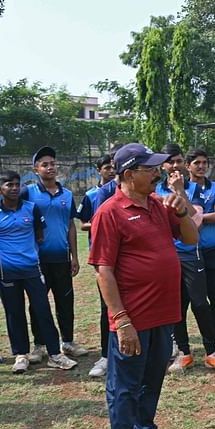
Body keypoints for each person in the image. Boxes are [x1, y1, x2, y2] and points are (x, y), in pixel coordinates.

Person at [89, 143, 198, 429]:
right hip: (132, 319)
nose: (157, 174)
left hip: (163, 315)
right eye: (149, 169)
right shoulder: (109, 212)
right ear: (127, 175)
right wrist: (121, 320)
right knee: (124, 390)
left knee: (152, 381)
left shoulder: (156, 205)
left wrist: (182, 211)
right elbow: (103, 271)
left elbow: (191, 238)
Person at [0, 170, 78, 374]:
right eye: (9, 185)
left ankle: (54, 354)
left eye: (17, 184)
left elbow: (40, 237)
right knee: (14, 313)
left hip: (32, 270)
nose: (15, 188)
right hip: (7, 272)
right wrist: (8, 249)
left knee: (42, 310)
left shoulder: (32, 209)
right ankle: (21, 355)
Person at [154, 145, 215, 375]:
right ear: (163, 165)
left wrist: (180, 192)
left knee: (200, 302)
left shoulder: (194, 188)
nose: (175, 165)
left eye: (179, 161)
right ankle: (184, 354)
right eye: (171, 161)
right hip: (166, 255)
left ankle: (211, 352)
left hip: (190, 253)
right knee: (176, 306)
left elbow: (194, 218)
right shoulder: (154, 188)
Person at [21, 146, 88, 362]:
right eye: (45, 164)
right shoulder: (27, 193)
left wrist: (74, 257)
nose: (50, 168)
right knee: (38, 303)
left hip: (61, 258)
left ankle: (67, 342)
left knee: (65, 301)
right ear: (35, 169)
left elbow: (70, 225)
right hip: (37, 260)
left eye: (52, 163)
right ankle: (39, 345)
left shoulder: (67, 194)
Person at [184, 149, 215, 362]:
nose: (201, 166)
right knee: (191, 299)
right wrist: (199, 216)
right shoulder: (182, 189)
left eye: (205, 162)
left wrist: (193, 216)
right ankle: (180, 344)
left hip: (212, 250)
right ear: (188, 166)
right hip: (189, 253)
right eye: (197, 163)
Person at [78, 153, 116, 377]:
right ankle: (105, 355)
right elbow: (83, 223)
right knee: (108, 307)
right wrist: (99, 223)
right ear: (99, 170)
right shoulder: (95, 194)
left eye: (114, 167)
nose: (111, 171)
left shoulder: (139, 192)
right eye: (107, 167)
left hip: (125, 258)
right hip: (103, 256)